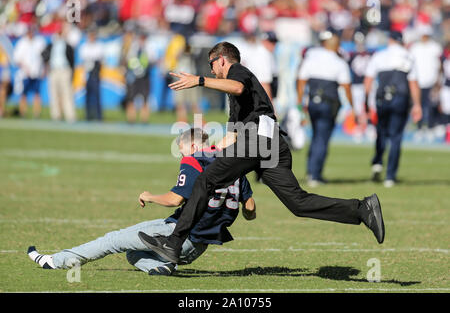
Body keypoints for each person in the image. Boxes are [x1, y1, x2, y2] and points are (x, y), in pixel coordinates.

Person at [139, 41, 385, 265]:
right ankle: (362, 208)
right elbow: (231, 136)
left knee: (206, 181)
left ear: (222, 60)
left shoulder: (238, 72)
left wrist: (200, 80)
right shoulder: (236, 97)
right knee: (297, 203)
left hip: (257, 140)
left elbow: (236, 87)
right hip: (269, 142)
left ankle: (172, 244)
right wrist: (207, 150)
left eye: (212, 65)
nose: (212, 70)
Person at [27, 128, 256, 276]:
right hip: (198, 248)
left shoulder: (194, 159)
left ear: (194, 146)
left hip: (177, 236)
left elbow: (175, 199)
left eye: (182, 149)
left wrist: (149, 196)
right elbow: (250, 208)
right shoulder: (235, 169)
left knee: (113, 240)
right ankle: (163, 266)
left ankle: (55, 261)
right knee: (133, 254)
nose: (181, 154)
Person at [296, 30, 355, 187]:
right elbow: (346, 87)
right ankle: (315, 174)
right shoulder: (339, 62)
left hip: (313, 102)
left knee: (316, 137)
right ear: (336, 46)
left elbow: (301, 81)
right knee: (322, 138)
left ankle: (311, 171)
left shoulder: (311, 59)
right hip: (329, 103)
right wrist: (352, 106)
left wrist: (300, 102)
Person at [363, 31, 422, 188]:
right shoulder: (407, 56)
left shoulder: (379, 55)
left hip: (382, 97)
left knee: (381, 131)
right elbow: (413, 83)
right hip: (400, 98)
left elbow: (368, 80)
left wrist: (365, 103)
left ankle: (377, 161)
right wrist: (417, 104)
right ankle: (390, 175)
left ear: (390, 40)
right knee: (396, 136)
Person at [409, 25, 443, 139]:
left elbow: (440, 66)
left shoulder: (435, 47)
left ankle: (430, 127)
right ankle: (419, 127)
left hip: (431, 81)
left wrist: (438, 81)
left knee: (431, 105)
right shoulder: (415, 47)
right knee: (418, 105)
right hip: (418, 81)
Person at [42, 24, 76, 123]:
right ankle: (56, 115)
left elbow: (72, 60)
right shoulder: (51, 44)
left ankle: (70, 116)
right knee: (54, 94)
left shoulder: (68, 45)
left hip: (64, 70)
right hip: (53, 70)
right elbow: (44, 55)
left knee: (67, 93)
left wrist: (71, 72)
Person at [13, 24, 46, 118]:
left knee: (37, 93)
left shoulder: (40, 42)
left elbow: (44, 57)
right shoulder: (22, 43)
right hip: (25, 73)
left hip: (37, 72)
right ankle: (22, 112)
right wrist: (25, 68)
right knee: (24, 94)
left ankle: (37, 114)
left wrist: (44, 69)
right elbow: (17, 59)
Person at [123, 30, 154, 123]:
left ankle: (144, 119)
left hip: (145, 76)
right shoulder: (134, 47)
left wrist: (145, 64)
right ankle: (131, 119)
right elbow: (128, 59)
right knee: (131, 98)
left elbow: (153, 59)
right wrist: (134, 66)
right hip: (134, 76)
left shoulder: (149, 47)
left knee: (145, 98)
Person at [79, 27, 103, 121]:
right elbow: (84, 60)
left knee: (97, 96)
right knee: (88, 96)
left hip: (95, 73)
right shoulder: (84, 46)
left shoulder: (99, 46)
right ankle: (88, 115)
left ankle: (98, 116)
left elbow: (99, 59)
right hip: (87, 73)